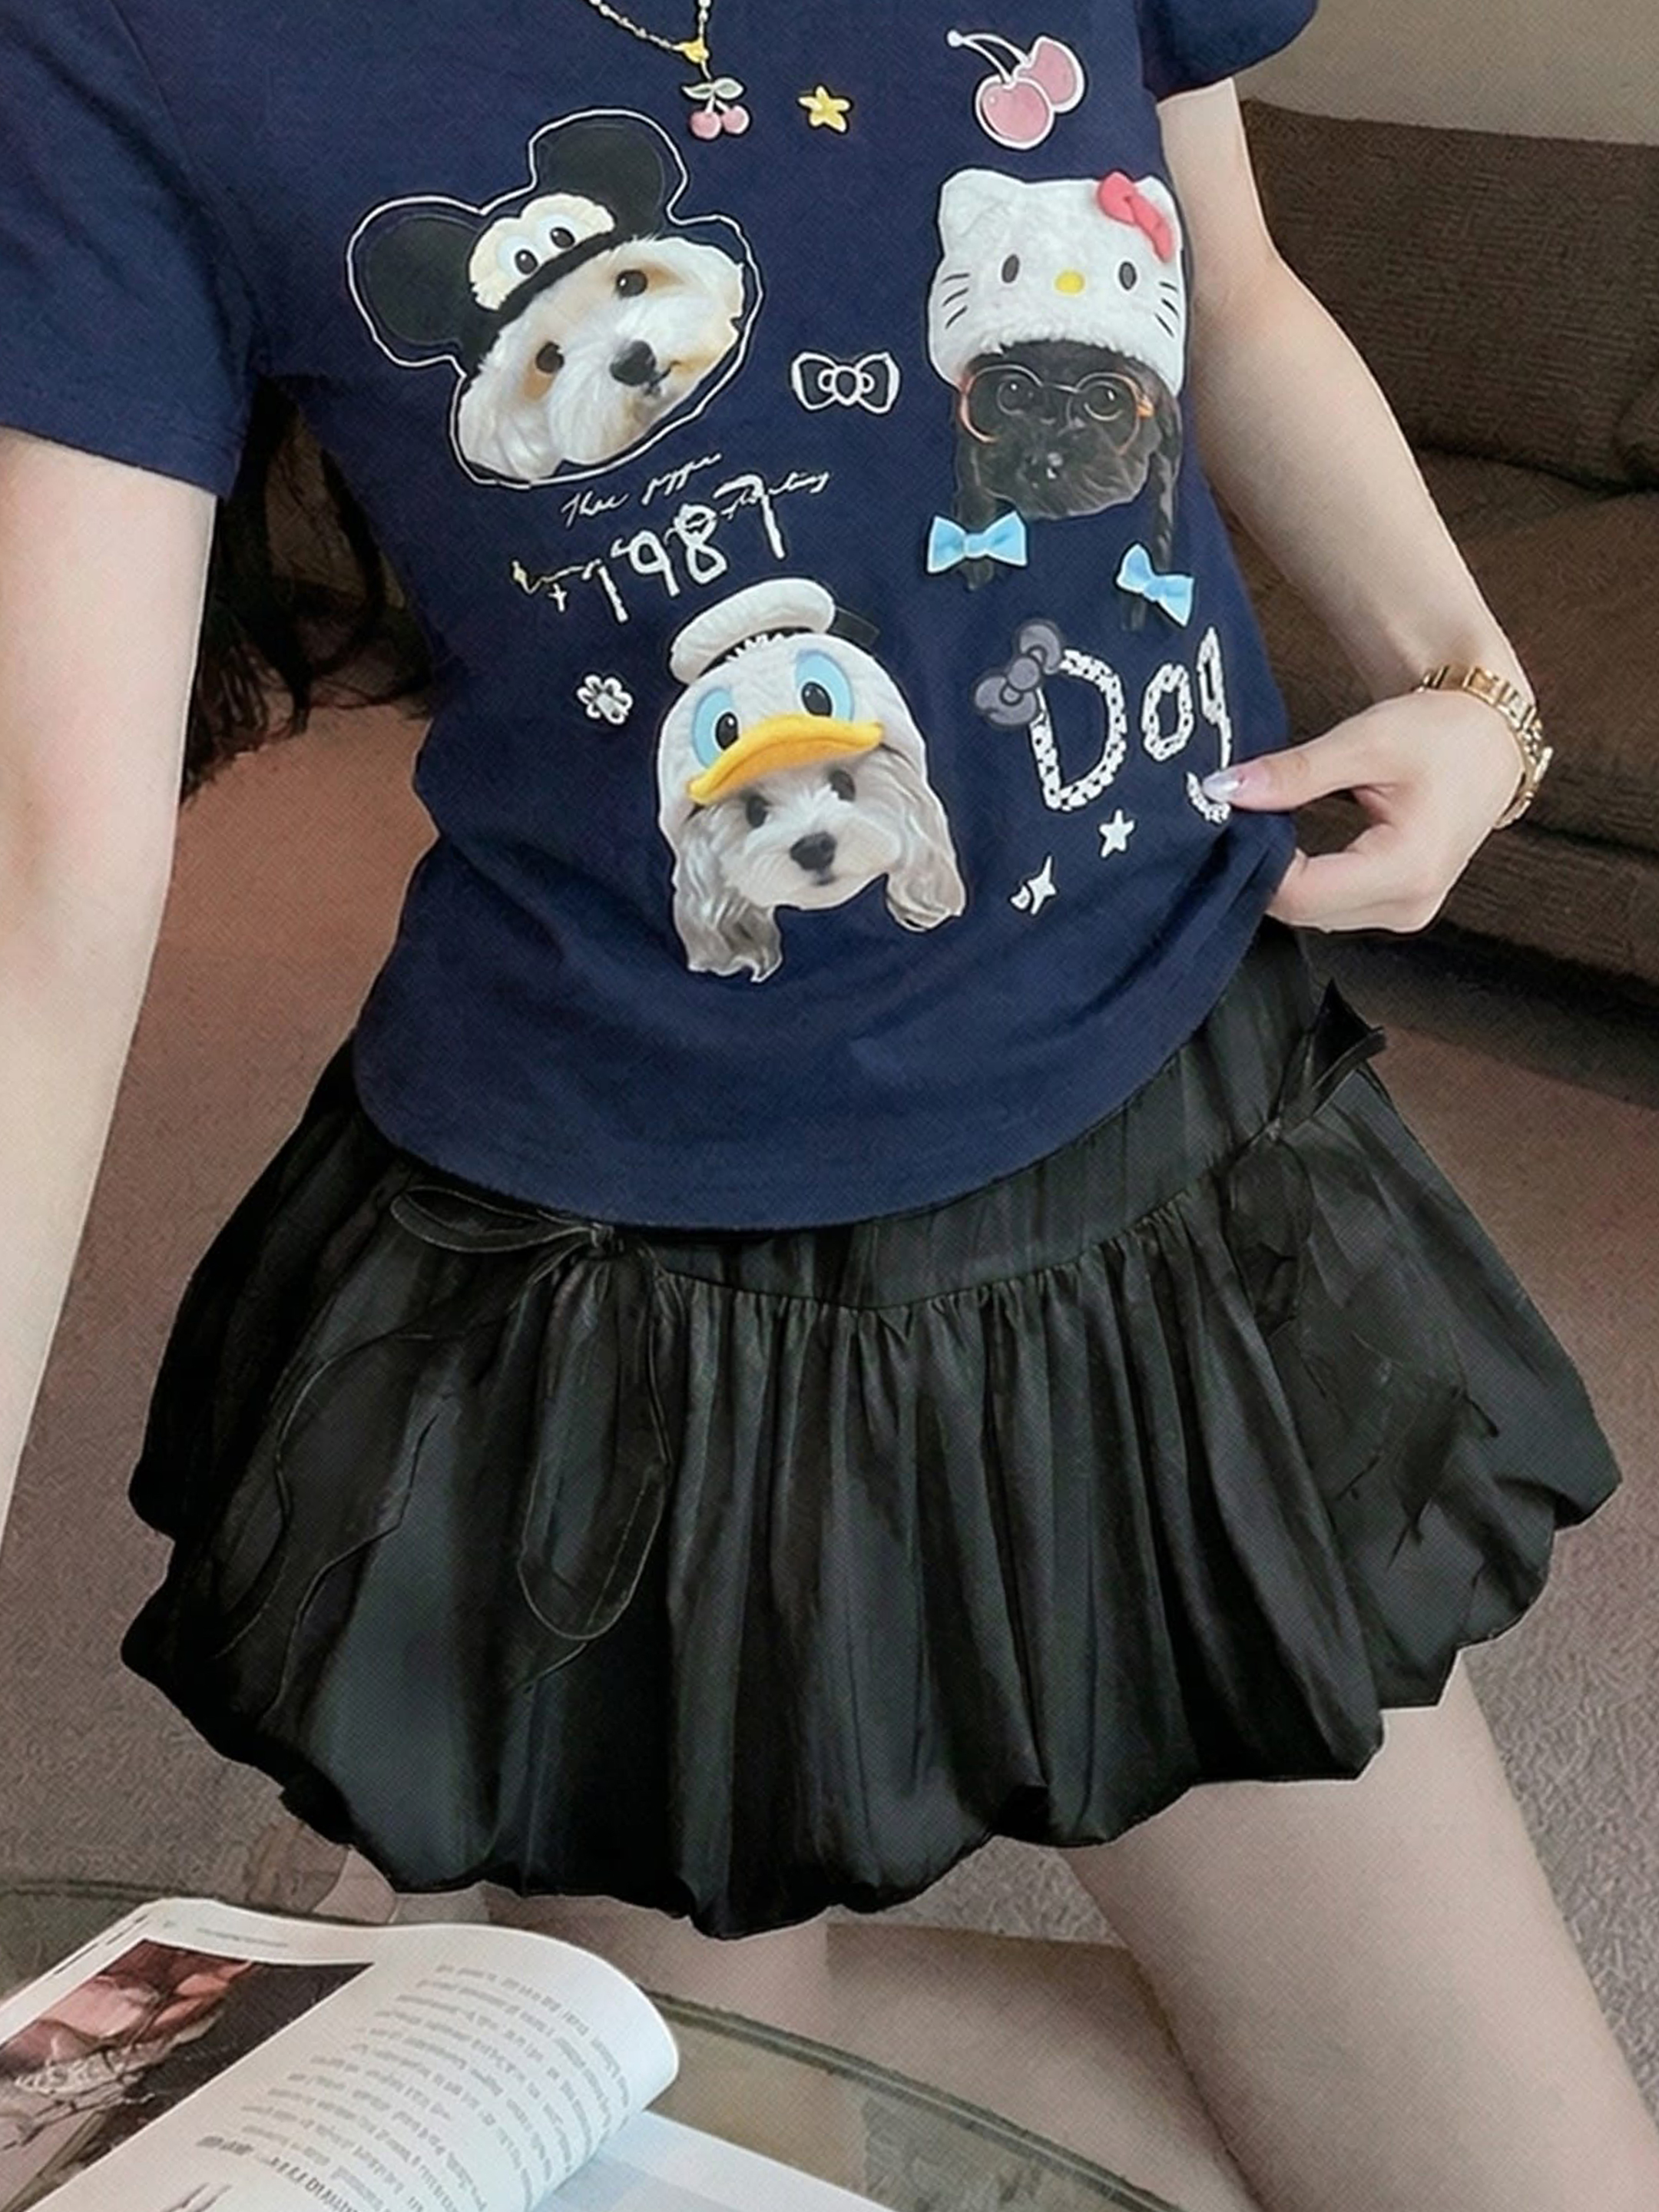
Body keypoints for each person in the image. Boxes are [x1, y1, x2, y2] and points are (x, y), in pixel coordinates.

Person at [1, 0, 1654, 2204]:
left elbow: (1231, 285)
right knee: (668, 2110)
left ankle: (455, 1966)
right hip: (629, 1293)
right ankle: (475, 1984)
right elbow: (46, 869)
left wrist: (1474, 682)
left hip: (1163, 1149)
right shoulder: (123, 42)